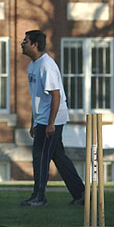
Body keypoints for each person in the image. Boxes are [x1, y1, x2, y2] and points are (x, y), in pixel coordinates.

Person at [20, 30, 85, 206]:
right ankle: (81, 193)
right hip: (42, 118)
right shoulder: (33, 65)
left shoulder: (46, 65)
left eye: (25, 41)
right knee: (59, 156)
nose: (22, 44)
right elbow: (37, 97)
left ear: (35, 44)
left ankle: (39, 197)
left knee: (40, 157)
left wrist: (50, 124)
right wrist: (33, 122)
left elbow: (56, 95)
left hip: (52, 118)